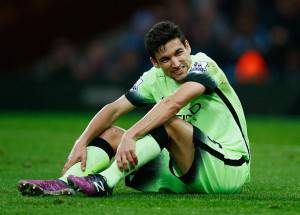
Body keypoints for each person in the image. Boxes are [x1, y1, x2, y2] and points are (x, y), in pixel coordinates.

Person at [17, 21, 250, 196]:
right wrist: (82, 141)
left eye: (179, 52)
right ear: (155, 63)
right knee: (109, 134)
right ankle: (65, 181)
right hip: (184, 169)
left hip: (228, 168)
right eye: (166, 59)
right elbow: (114, 109)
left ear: (188, 46)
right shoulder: (153, 78)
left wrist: (132, 134)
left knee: (167, 121)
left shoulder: (204, 65)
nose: (176, 63)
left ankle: (105, 181)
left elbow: (172, 104)